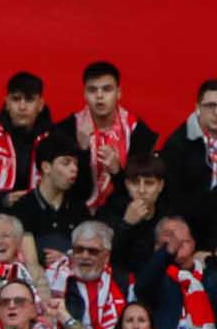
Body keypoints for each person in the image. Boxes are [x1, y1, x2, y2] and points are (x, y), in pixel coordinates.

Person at [54, 60, 157, 218]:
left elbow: (139, 192)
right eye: (92, 90)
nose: (99, 96)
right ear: (84, 94)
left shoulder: (138, 132)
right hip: (74, 217)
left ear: (119, 93)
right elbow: (67, 191)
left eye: (107, 89)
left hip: (124, 215)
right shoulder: (66, 130)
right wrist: (82, 150)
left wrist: (117, 171)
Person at [0, 72, 54, 241]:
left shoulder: (55, 138)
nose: (22, 107)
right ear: (6, 103)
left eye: (29, 100)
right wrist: (3, 199)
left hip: (41, 217)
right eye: (16, 99)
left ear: (40, 104)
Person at [158, 80, 217, 235]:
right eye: (211, 106)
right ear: (197, 107)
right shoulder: (177, 144)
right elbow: (171, 200)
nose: (216, 112)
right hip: (189, 229)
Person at [11, 135, 87, 249]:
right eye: (66, 163)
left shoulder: (79, 209)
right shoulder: (23, 207)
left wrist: (66, 257)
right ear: (46, 167)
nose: (74, 169)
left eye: (76, 163)